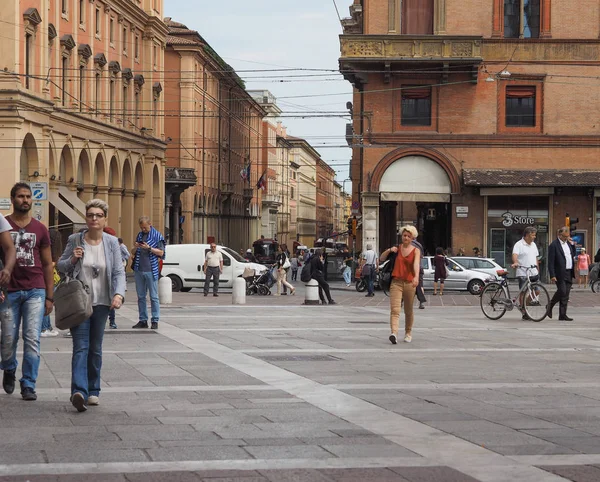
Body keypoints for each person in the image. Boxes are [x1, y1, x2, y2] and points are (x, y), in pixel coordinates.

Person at [57, 199, 125, 412]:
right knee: (81, 347)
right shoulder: (75, 239)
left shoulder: (112, 242)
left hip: (103, 302)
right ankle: (79, 391)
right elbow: (60, 266)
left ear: (105, 219)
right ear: (86, 218)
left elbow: (118, 271)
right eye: (90, 215)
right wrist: (72, 260)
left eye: (98, 215)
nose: (93, 219)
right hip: (79, 303)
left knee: (95, 348)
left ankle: (93, 390)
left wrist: (118, 294)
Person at [0, 183, 53, 401]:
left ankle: (28, 383)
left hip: (35, 289)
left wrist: (50, 295)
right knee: (8, 339)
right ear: (13, 199)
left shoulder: (40, 228)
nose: (25, 200)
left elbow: (48, 264)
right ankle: (10, 367)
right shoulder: (4, 225)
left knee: (32, 337)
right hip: (9, 290)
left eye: (28, 196)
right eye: (21, 196)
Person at [380, 225, 421, 344]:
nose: (406, 238)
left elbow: (416, 264)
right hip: (396, 282)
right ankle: (394, 333)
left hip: (409, 283)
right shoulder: (396, 249)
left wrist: (416, 277)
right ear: (401, 236)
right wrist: (389, 250)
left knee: (408, 310)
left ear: (412, 238)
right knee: (395, 310)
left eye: (408, 236)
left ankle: (408, 332)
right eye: (404, 235)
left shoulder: (416, 250)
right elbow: (382, 258)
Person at [130, 217, 165, 329]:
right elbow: (133, 252)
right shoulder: (140, 235)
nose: (143, 229)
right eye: (141, 227)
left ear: (150, 224)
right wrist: (135, 247)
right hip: (139, 269)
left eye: (145, 227)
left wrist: (149, 248)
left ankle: (155, 320)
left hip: (151, 269)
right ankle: (143, 320)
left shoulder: (157, 236)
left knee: (154, 296)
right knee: (141, 296)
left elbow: (161, 253)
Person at [547, 226, 576, 321]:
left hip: (569, 271)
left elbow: (573, 254)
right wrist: (552, 275)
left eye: (567, 236)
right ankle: (550, 305)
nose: (566, 238)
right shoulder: (554, 245)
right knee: (562, 291)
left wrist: (572, 245)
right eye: (564, 236)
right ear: (559, 235)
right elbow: (551, 261)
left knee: (566, 294)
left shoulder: (568, 244)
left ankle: (562, 314)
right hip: (559, 273)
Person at [511, 226, 540, 321]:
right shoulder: (519, 244)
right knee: (523, 292)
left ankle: (524, 305)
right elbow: (515, 255)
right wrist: (515, 262)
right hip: (523, 272)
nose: (534, 237)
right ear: (527, 235)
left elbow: (535, 257)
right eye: (533, 235)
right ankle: (524, 310)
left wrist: (537, 268)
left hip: (533, 272)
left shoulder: (534, 245)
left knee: (537, 291)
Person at [41, 228, 63, 337]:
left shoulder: (44, 249)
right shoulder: (54, 253)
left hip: (46, 279)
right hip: (51, 279)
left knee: (46, 302)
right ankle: (44, 328)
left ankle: (47, 327)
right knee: (47, 303)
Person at [411, 235, 427, 309]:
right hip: (420, 267)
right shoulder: (419, 245)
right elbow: (422, 256)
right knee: (420, 286)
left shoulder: (408, 245)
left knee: (405, 285)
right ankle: (421, 303)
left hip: (410, 268)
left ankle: (402, 301)